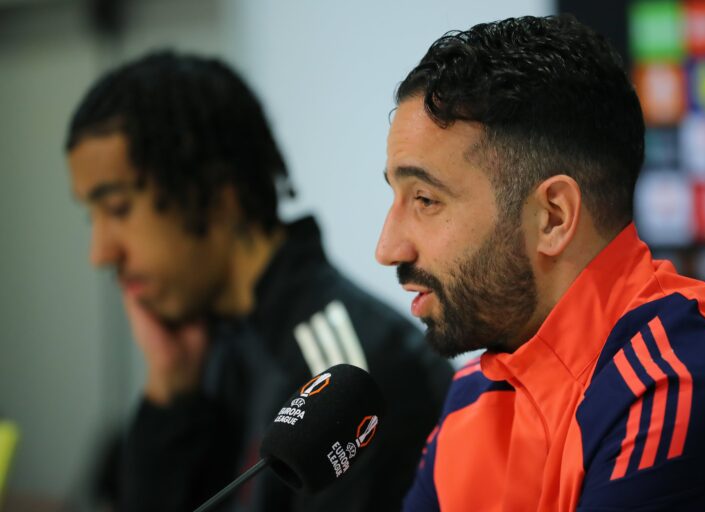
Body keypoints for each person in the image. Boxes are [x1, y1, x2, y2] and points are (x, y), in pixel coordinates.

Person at [376, 14, 705, 511]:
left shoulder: (679, 382)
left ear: (553, 217)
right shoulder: (470, 399)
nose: (387, 248)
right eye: (395, 196)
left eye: (425, 200)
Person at [64, 50, 452, 512]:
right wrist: (170, 398)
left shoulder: (348, 376)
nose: (101, 253)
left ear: (216, 194)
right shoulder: (214, 348)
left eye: (119, 209)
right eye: (92, 217)